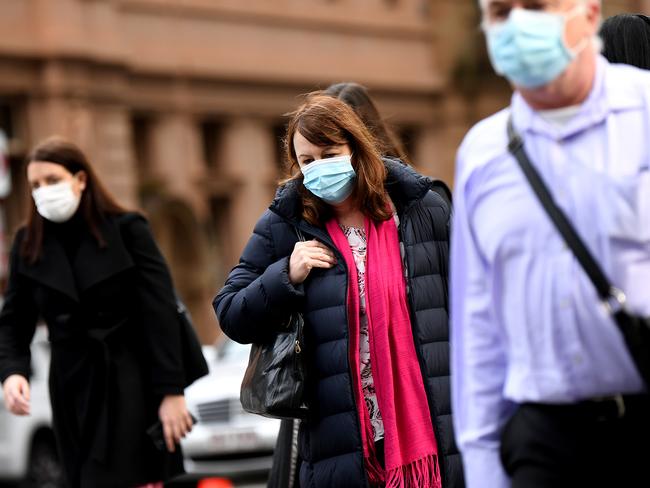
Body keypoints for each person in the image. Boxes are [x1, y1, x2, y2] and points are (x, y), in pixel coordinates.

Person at [215, 94, 463, 488]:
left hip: (434, 431)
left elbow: (471, 308)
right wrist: (285, 274)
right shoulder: (286, 223)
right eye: (306, 161)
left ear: (356, 148)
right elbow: (230, 312)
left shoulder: (422, 208)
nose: (317, 168)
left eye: (329, 153)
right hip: (340, 445)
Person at [451, 1, 650, 487]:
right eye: (500, 12)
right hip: (546, 441)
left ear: (588, 14)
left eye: (536, 6)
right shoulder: (482, 154)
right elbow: (478, 329)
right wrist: (483, 469)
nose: (518, 24)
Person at [0, 137, 208, 488]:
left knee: (132, 476)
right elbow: (13, 320)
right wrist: (12, 372)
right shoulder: (28, 245)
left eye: (52, 180)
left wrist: (171, 392)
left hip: (129, 379)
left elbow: (159, 312)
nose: (43, 191)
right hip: (70, 385)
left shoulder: (129, 230)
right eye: (35, 185)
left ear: (81, 180)